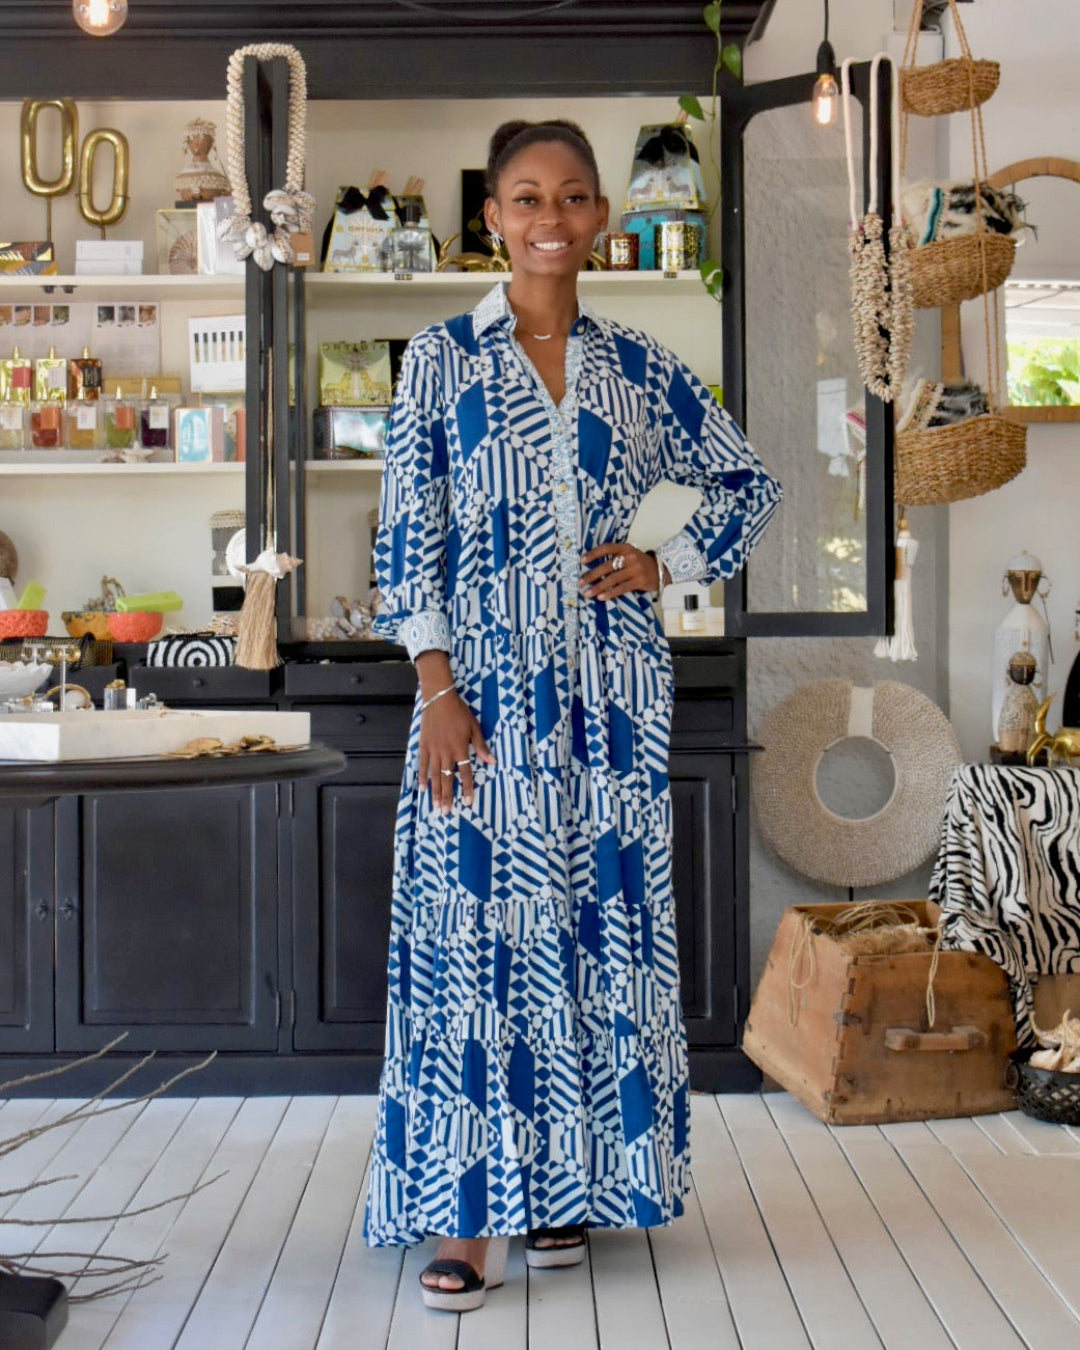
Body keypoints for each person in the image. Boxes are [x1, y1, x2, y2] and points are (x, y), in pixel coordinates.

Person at [363, 118, 781, 1312]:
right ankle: (469, 1212)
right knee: (478, 941)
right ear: (491, 217)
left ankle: (563, 1189)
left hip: (612, 697)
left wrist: (671, 564)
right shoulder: (438, 362)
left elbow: (750, 483)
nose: (552, 216)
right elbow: (409, 539)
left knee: (591, 937)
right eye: (527, 196)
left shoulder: (644, 368)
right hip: (479, 703)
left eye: (575, 196)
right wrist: (435, 687)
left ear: (602, 217)